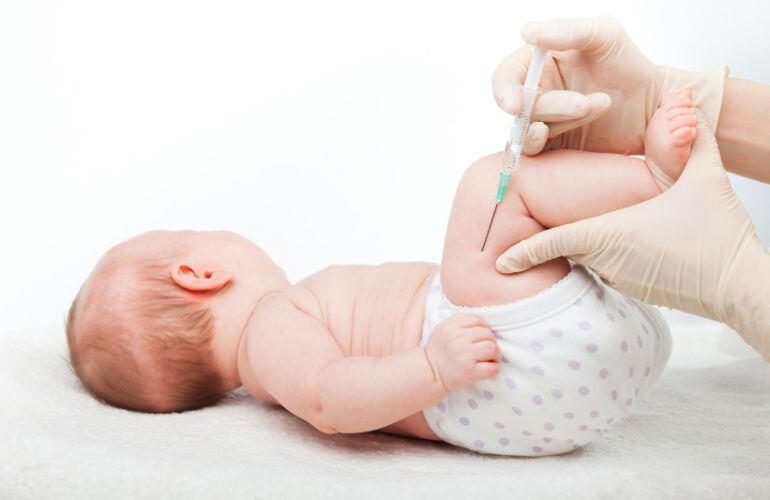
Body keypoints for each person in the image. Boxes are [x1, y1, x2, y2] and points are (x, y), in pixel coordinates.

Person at [67, 90, 696, 456]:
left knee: (526, 230)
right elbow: (329, 401)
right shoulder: (269, 330)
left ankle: (629, 200)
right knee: (490, 187)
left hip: (554, 399)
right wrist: (432, 369)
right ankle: (655, 178)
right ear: (198, 272)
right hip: (497, 369)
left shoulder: (279, 342)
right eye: (194, 230)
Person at [491, 16, 770, 362]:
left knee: (494, 181)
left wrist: (744, 289)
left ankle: (655, 182)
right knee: (521, 184)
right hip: (599, 347)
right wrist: (654, 98)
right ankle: (656, 181)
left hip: (519, 351)